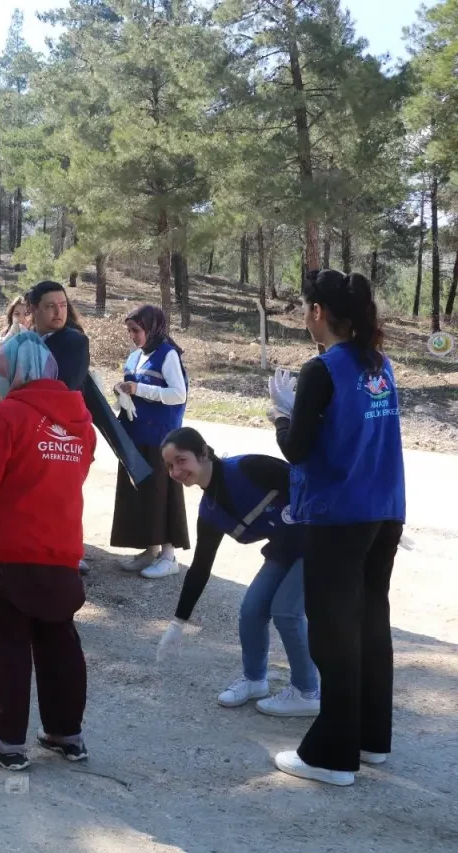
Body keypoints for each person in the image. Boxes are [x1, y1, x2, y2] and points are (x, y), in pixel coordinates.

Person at [270, 270, 405, 787]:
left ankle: (332, 755)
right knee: (371, 622)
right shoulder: (379, 363)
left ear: (318, 312)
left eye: (305, 308)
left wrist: (281, 418)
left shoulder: (321, 369)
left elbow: (297, 448)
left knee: (333, 631)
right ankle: (371, 738)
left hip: (339, 512)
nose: (304, 317)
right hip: (385, 507)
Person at [0, 331, 95, 769]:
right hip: (61, 549)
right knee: (59, 642)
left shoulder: (6, 416)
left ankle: (7, 744)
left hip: (12, 549)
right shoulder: (80, 418)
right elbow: (76, 471)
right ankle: (65, 733)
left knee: (9, 648)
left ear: (12, 372)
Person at [156, 427, 319, 717]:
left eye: (181, 460)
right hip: (285, 549)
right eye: (170, 465)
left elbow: (311, 480)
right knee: (252, 609)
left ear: (203, 453)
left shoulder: (248, 468)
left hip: (322, 539)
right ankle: (255, 680)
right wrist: (178, 622)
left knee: (286, 611)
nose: (176, 471)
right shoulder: (210, 511)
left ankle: (308, 692)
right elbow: (200, 567)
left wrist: (362, 526)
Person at [110, 304, 190, 579]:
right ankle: (149, 550)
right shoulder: (134, 358)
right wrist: (121, 390)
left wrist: (139, 389)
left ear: (152, 328)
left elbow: (178, 394)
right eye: (129, 331)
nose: (132, 336)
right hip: (135, 436)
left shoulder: (167, 355)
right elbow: (132, 390)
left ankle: (169, 556)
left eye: (136, 330)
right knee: (141, 493)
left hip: (160, 439)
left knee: (160, 493)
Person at [0, 296, 30, 363]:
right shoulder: (2, 338)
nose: (21, 319)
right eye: (17, 314)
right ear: (11, 316)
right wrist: (10, 336)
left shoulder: (35, 340)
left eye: (26, 314)